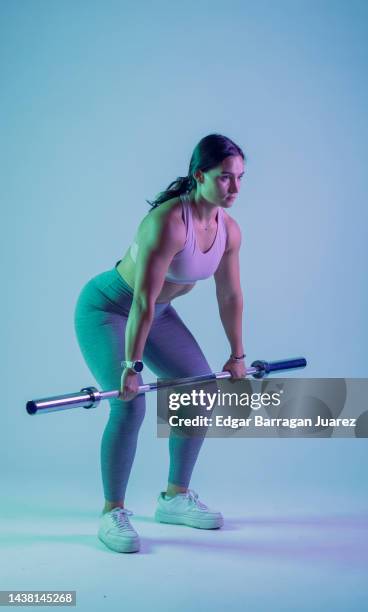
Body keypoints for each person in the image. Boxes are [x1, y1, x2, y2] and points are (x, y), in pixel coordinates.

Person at [74, 133, 246, 553]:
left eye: (240, 178)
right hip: (109, 309)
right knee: (129, 402)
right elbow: (143, 302)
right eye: (225, 178)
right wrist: (131, 368)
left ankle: (174, 498)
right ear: (199, 175)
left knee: (198, 387)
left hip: (157, 314)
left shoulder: (229, 231)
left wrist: (237, 355)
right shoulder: (168, 222)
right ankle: (111, 512)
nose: (235, 188)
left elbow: (230, 296)